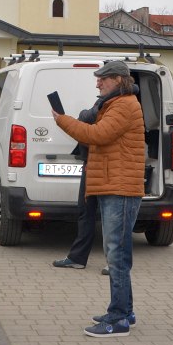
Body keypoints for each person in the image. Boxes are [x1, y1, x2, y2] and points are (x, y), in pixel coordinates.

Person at [51, 60, 145, 338]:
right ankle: (126, 311)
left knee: (117, 254)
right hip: (114, 186)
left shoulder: (124, 105)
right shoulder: (115, 104)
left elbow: (97, 135)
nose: (98, 83)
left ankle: (118, 319)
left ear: (118, 80)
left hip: (120, 189)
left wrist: (63, 120)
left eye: (103, 78)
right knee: (118, 252)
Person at [51, 103, 105, 272]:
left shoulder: (114, 102)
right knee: (85, 212)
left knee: (111, 217)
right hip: (91, 165)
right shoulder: (104, 100)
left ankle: (115, 264)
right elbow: (88, 118)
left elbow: (88, 117)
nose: (98, 88)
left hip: (107, 169)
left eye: (101, 88)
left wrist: (82, 115)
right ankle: (77, 258)